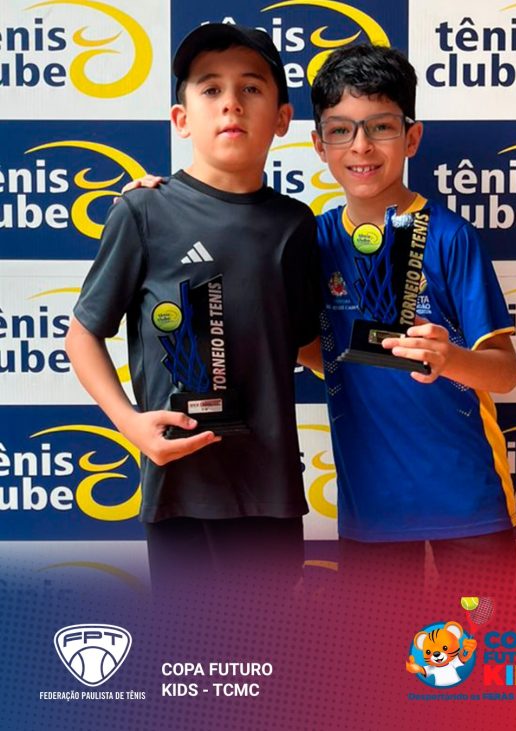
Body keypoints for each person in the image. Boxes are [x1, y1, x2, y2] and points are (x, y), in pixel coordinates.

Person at [65, 24, 322, 597]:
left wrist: (398, 358)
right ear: (181, 119)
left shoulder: (296, 224)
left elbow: (306, 345)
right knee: (189, 649)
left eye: (251, 88)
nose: (231, 103)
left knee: (272, 647)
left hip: (271, 491)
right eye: (210, 89)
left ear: (282, 118)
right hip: (181, 487)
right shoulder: (143, 211)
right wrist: (132, 425)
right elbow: (82, 336)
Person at [300, 44, 516, 590]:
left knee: (482, 641)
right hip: (371, 508)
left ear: (411, 137)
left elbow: (505, 373)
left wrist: (448, 359)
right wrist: (156, 208)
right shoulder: (311, 242)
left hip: (467, 500)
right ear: (319, 144)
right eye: (341, 130)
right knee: (379, 646)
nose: (361, 146)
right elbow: (321, 353)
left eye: (380, 127)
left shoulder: (451, 237)